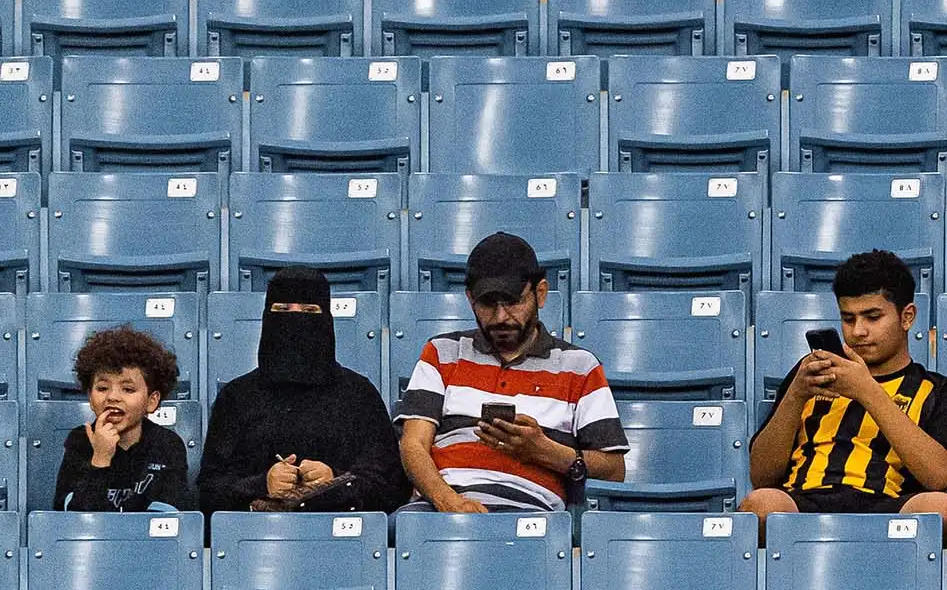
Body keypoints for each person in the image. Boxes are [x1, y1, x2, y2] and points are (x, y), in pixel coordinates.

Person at [396, 232, 628, 513]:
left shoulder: (580, 366)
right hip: (441, 509)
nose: (500, 317)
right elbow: (413, 444)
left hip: (530, 516)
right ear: (470, 299)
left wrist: (545, 451)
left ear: (540, 294)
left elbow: (615, 469)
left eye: (513, 302)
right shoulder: (442, 352)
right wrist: (448, 501)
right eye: (487, 304)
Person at [742, 250, 947, 536]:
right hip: (805, 502)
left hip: (887, 507)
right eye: (848, 319)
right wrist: (796, 395)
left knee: (942, 508)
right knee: (760, 504)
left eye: (873, 317)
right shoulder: (810, 374)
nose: (859, 331)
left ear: (907, 317)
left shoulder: (937, 389)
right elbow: (761, 476)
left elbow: (940, 476)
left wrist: (867, 391)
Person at [198, 267, 411, 513]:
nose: (295, 320)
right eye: (282, 310)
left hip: (341, 539)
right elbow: (209, 492)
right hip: (256, 539)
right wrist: (262, 484)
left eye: (310, 311)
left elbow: (391, 487)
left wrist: (336, 482)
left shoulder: (359, 395)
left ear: (327, 320)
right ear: (268, 317)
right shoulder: (236, 397)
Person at [54, 326, 196, 511]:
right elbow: (76, 520)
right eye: (102, 388)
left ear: (152, 401)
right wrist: (101, 458)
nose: (112, 397)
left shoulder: (168, 445)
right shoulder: (80, 441)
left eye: (128, 389)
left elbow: (168, 519)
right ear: (90, 397)